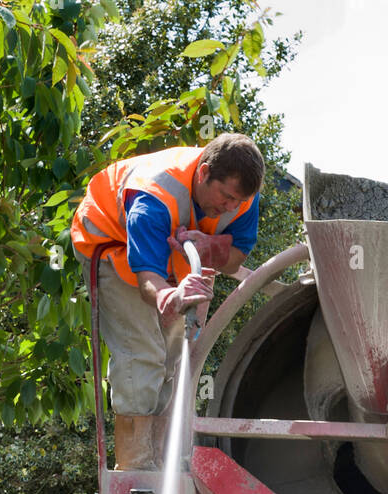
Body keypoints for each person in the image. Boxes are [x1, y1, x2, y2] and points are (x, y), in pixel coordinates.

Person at [71, 133, 265, 469]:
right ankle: (135, 463)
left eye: (239, 201)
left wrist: (207, 245)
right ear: (203, 173)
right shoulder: (153, 197)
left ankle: (160, 456)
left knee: (175, 356)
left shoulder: (244, 197)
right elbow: (148, 278)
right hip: (109, 244)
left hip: (174, 254)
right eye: (227, 197)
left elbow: (234, 259)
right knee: (143, 351)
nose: (232, 207)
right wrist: (168, 298)